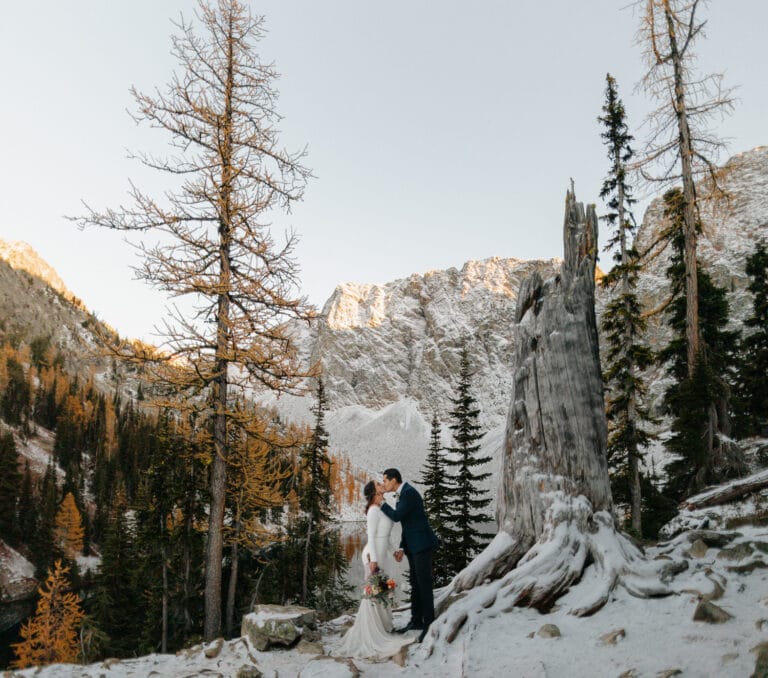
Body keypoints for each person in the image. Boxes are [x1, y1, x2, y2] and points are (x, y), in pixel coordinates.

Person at [335, 480, 411, 661]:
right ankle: (370, 633)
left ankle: (382, 627)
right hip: (372, 555)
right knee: (373, 594)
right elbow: (371, 537)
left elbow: (384, 535)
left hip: (381, 554)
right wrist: (373, 562)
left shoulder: (382, 508)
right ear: (374, 491)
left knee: (381, 593)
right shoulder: (373, 511)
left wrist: (394, 552)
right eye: (378, 484)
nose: (381, 484)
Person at [375, 467, 439, 643]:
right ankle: (416, 621)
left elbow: (396, 516)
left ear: (394, 480)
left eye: (386, 480)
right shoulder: (404, 494)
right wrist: (402, 547)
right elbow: (407, 523)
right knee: (416, 584)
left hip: (422, 545)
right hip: (412, 546)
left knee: (424, 585)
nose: (385, 484)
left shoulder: (409, 493)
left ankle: (429, 623)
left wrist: (381, 503)